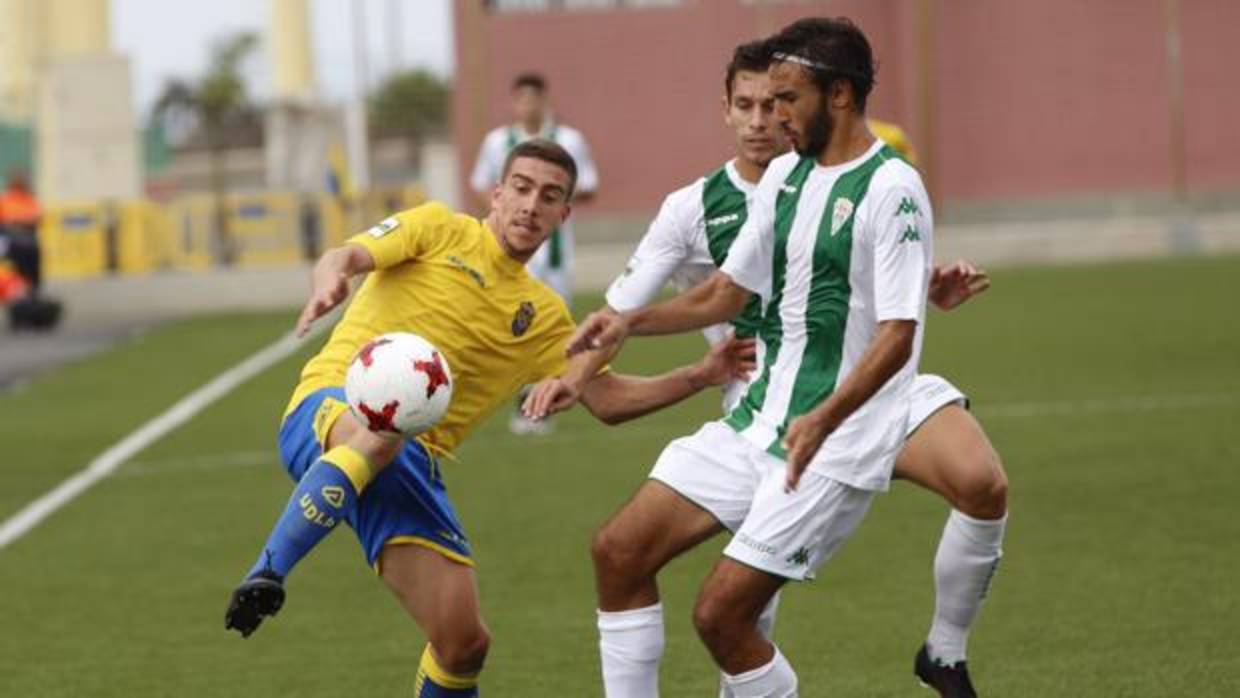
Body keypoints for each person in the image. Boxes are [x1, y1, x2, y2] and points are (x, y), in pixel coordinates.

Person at [224, 139, 754, 697]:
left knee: (463, 644)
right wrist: (328, 280)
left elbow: (608, 400)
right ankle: (269, 570)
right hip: (332, 406)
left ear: (563, 215)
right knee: (384, 429)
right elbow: (347, 257)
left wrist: (700, 375)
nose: (530, 205)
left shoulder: (545, 315)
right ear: (497, 193)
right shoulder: (438, 228)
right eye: (521, 188)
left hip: (411, 461)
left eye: (549, 197)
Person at [565, 39, 1004, 698]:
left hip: (836, 441)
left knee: (722, 616)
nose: (772, 118)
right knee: (618, 551)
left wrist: (824, 419)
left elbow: (897, 335)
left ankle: (945, 651)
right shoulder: (783, 177)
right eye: (756, 102)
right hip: (758, 415)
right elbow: (724, 294)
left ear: (840, 95)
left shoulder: (893, 186)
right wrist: (630, 321)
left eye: (785, 99)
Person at [471, 72, 601, 435]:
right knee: (506, 327)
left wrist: (552, 200)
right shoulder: (498, 142)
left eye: (534, 99)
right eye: (521, 99)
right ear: (514, 103)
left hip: (555, 253)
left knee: (550, 332)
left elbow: (588, 184)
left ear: (545, 101)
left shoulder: (569, 140)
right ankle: (516, 402)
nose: (528, 106)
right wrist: (505, 214)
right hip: (509, 253)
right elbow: (482, 184)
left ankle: (539, 407)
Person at [0, 170, 44, 296]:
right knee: (12, 274)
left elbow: (36, 218)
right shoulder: (6, 199)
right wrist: (18, 221)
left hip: (30, 244)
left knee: (32, 274)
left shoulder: (29, 199)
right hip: (11, 244)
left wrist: (15, 220)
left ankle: (31, 296)